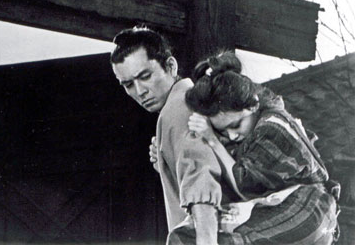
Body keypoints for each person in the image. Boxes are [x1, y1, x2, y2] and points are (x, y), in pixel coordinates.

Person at [168, 50, 339, 244]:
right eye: (223, 131)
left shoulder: (271, 128)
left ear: (253, 105)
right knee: (184, 237)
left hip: (307, 210)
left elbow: (244, 187)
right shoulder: (254, 124)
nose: (232, 135)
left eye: (235, 125)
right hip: (281, 205)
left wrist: (212, 139)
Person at [111, 26, 234, 245]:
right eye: (128, 84)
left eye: (145, 76)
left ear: (171, 66)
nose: (140, 91)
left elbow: (201, 182)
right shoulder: (193, 100)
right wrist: (166, 164)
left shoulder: (177, 110)